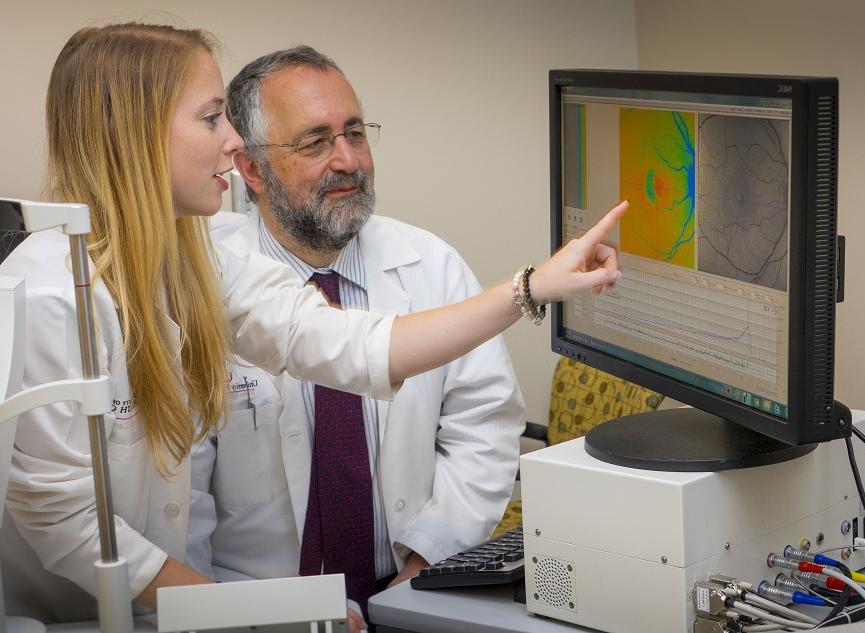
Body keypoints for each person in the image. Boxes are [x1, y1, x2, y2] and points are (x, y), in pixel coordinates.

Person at [0, 22, 625, 623]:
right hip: (77, 617)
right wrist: (261, 613)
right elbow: (67, 519)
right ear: (132, 135)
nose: (230, 141)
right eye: (211, 117)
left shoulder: (196, 261)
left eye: (354, 132)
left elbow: (347, 344)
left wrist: (532, 287)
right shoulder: (52, 294)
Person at [186, 46, 526, 627]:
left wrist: (425, 564)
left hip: (413, 592)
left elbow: (483, 427)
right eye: (315, 142)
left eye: (355, 133)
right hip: (254, 611)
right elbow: (182, 501)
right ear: (249, 170)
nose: (348, 160)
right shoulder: (202, 279)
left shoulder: (431, 265)